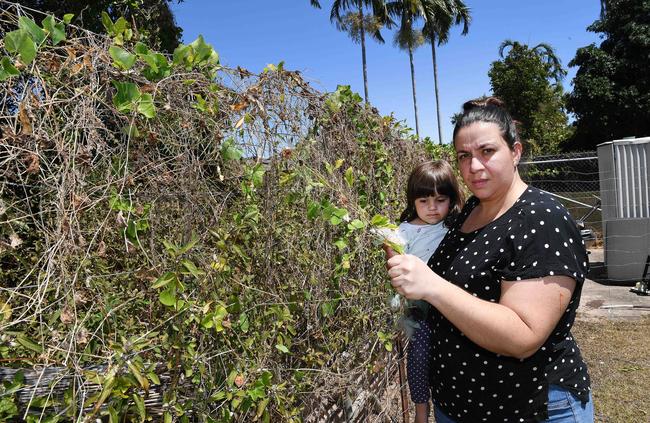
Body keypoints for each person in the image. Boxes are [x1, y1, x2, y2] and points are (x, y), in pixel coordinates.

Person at [385, 97, 593, 422]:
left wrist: (432, 286)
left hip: (529, 407)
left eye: (487, 152)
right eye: (464, 156)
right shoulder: (471, 211)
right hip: (458, 405)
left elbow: (523, 336)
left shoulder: (542, 219)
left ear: (516, 152)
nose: (474, 167)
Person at [397, 160, 464, 423]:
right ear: (412, 201)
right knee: (419, 359)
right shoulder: (404, 232)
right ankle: (421, 413)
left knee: (449, 362)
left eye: (440, 199)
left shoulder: (455, 227)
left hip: (451, 304)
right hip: (420, 309)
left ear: (452, 199)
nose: (432, 208)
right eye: (423, 201)